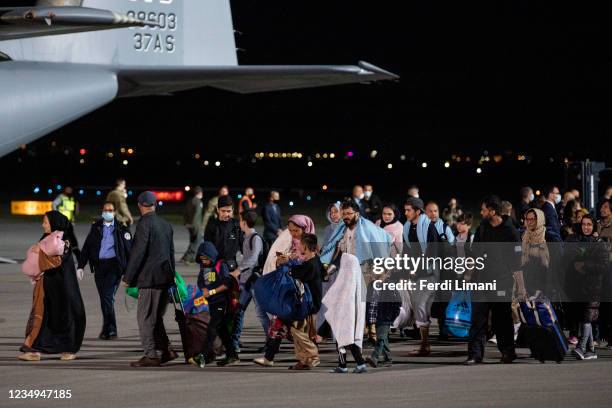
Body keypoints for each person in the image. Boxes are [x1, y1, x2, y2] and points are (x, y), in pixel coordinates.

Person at [19, 211, 86, 362]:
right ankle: (34, 350)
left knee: (64, 318)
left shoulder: (63, 242)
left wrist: (40, 252)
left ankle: (68, 349)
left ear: (54, 223)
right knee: (43, 319)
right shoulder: (47, 239)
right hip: (47, 288)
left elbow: (55, 261)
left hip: (61, 290)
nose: (43, 224)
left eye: (46, 222)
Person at [122, 192, 177, 367]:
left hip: (150, 279)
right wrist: (172, 278)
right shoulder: (166, 224)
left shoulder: (144, 224)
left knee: (145, 317)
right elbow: (171, 254)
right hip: (165, 277)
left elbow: (138, 253)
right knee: (156, 317)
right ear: (155, 205)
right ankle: (167, 350)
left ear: (139, 205)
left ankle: (151, 355)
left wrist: (128, 277)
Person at [465, 195, 520, 365]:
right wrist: (468, 276)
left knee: (502, 319)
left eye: (484, 210)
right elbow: (474, 255)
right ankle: (475, 354)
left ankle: (508, 352)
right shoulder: (482, 228)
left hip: (502, 281)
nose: (481, 213)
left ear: (493, 211)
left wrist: (521, 286)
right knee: (478, 318)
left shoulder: (510, 231)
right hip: (481, 281)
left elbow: (517, 262)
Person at [255, 214, 315, 366]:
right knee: (278, 322)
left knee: (298, 328)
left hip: (300, 293)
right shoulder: (290, 242)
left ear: (305, 228)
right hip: (287, 290)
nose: (293, 233)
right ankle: (269, 357)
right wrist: (281, 262)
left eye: (296, 230)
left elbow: (308, 265)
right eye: (290, 230)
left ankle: (310, 357)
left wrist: (292, 261)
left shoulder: (309, 245)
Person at [78, 201, 132, 340]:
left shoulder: (122, 229)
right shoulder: (96, 227)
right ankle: (107, 329)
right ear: (102, 211)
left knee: (107, 298)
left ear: (114, 212)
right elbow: (87, 247)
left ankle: (111, 329)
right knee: (104, 299)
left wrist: (130, 272)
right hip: (99, 267)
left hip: (114, 267)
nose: (108, 212)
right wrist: (81, 265)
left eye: (110, 210)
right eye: (105, 210)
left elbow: (129, 251)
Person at [402, 197, 441, 355]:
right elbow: (407, 251)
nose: (405, 213)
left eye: (408, 210)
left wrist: (418, 270)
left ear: (418, 211)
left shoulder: (429, 227)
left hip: (429, 272)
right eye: (405, 210)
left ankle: (425, 345)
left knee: (420, 304)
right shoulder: (407, 227)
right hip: (415, 272)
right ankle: (425, 344)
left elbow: (433, 252)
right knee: (419, 305)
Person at [567, 215, 608, 360]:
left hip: (594, 287)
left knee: (587, 318)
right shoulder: (577, 241)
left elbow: (603, 266)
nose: (586, 227)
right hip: (579, 286)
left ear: (593, 226)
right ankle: (591, 350)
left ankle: (581, 347)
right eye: (584, 224)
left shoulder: (599, 244)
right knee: (584, 317)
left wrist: (585, 265)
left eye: (589, 224)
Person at [195, 241, 239, 367]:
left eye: (206, 259)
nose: (204, 261)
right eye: (202, 259)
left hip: (222, 302)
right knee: (222, 329)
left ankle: (203, 355)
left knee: (212, 329)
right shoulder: (203, 267)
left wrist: (212, 291)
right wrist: (203, 288)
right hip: (212, 303)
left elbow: (226, 284)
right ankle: (232, 355)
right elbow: (201, 281)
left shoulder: (221, 265)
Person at [324, 253, 368, 374]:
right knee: (345, 341)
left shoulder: (346, 280)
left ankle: (358, 364)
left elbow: (336, 296)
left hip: (344, 316)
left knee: (344, 340)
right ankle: (347, 364)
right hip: (351, 317)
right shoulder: (356, 280)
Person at [232, 210, 268, 352]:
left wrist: (238, 270)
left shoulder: (255, 238)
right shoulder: (245, 237)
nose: (239, 222)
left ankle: (271, 342)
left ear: (244, 222)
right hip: (245, 282)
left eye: (240, 220)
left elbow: (253, 259)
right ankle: (234, 343)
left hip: (255, 282)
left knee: (260, 313)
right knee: (238, 311)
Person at [180, 186, 204, 264]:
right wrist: (194, 224)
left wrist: (186, 223)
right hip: (196, 225)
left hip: (189, 225)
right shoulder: (198, 202)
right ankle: (188, 258)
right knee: (197, 241)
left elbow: (185, 213)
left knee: (193, 241)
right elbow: (197, 214)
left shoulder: (190, 201)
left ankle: (188, 257)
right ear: (200, 193)